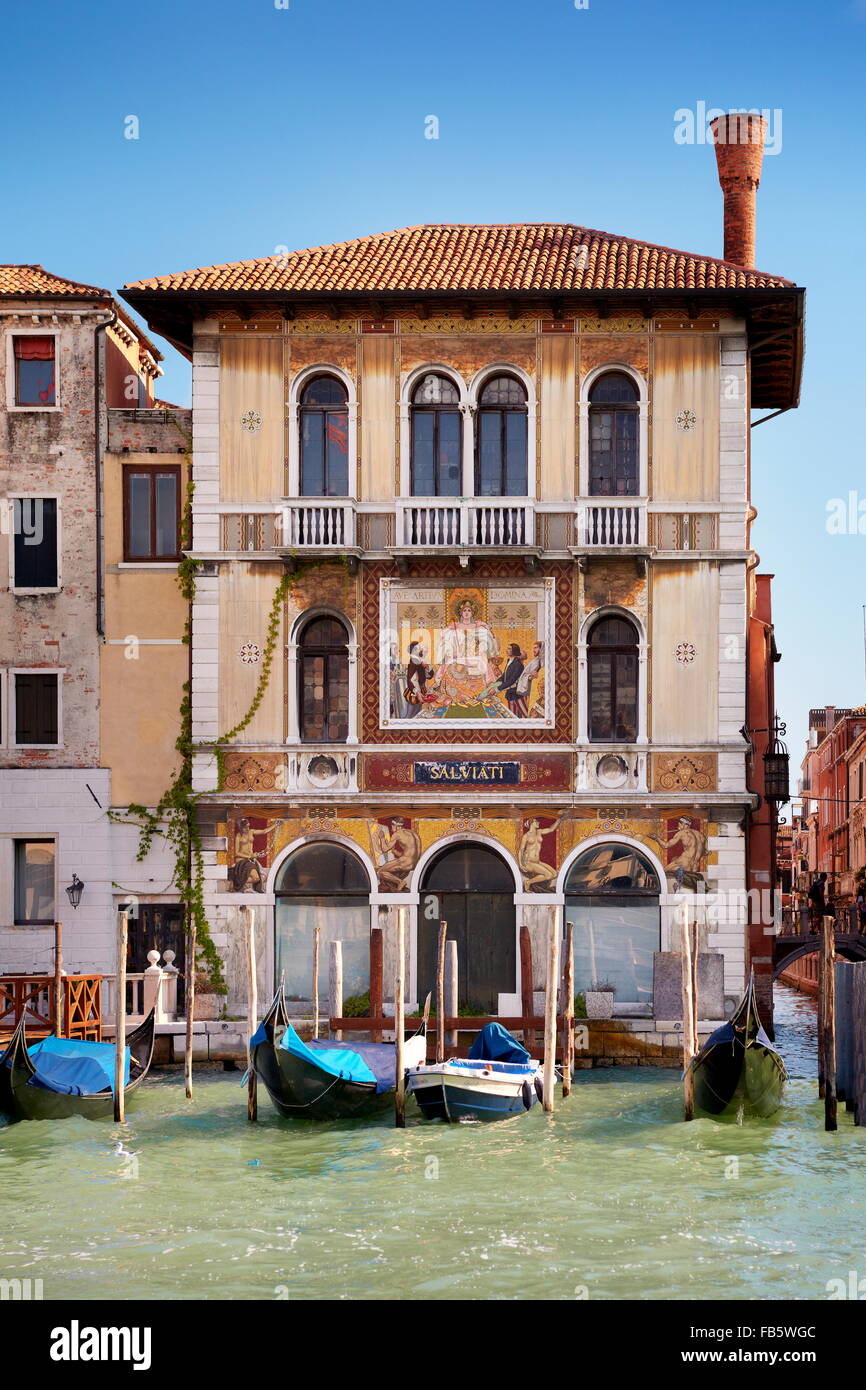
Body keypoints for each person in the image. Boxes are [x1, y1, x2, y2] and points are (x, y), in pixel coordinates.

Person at [514, 640, 543, 718]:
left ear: (542, 648)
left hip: (538, 692)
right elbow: (526, 675)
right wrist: (529, 676)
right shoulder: (535, 661)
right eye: (533, 648)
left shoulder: (543, 661)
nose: (534, 650)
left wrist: (537, 675)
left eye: (536, 648)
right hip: (530, 690)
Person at [496, 643, 525, 716]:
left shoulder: (518, 664)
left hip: (517, 694)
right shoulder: (509, 661)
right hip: (510, 693)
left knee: (524, 712)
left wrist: (498, 689)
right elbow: (504, 676)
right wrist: (495, 684)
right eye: (507, 648)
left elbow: (512, 680)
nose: (507, 650)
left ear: (514, 651)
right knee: (513, 715)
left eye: (509, 649)